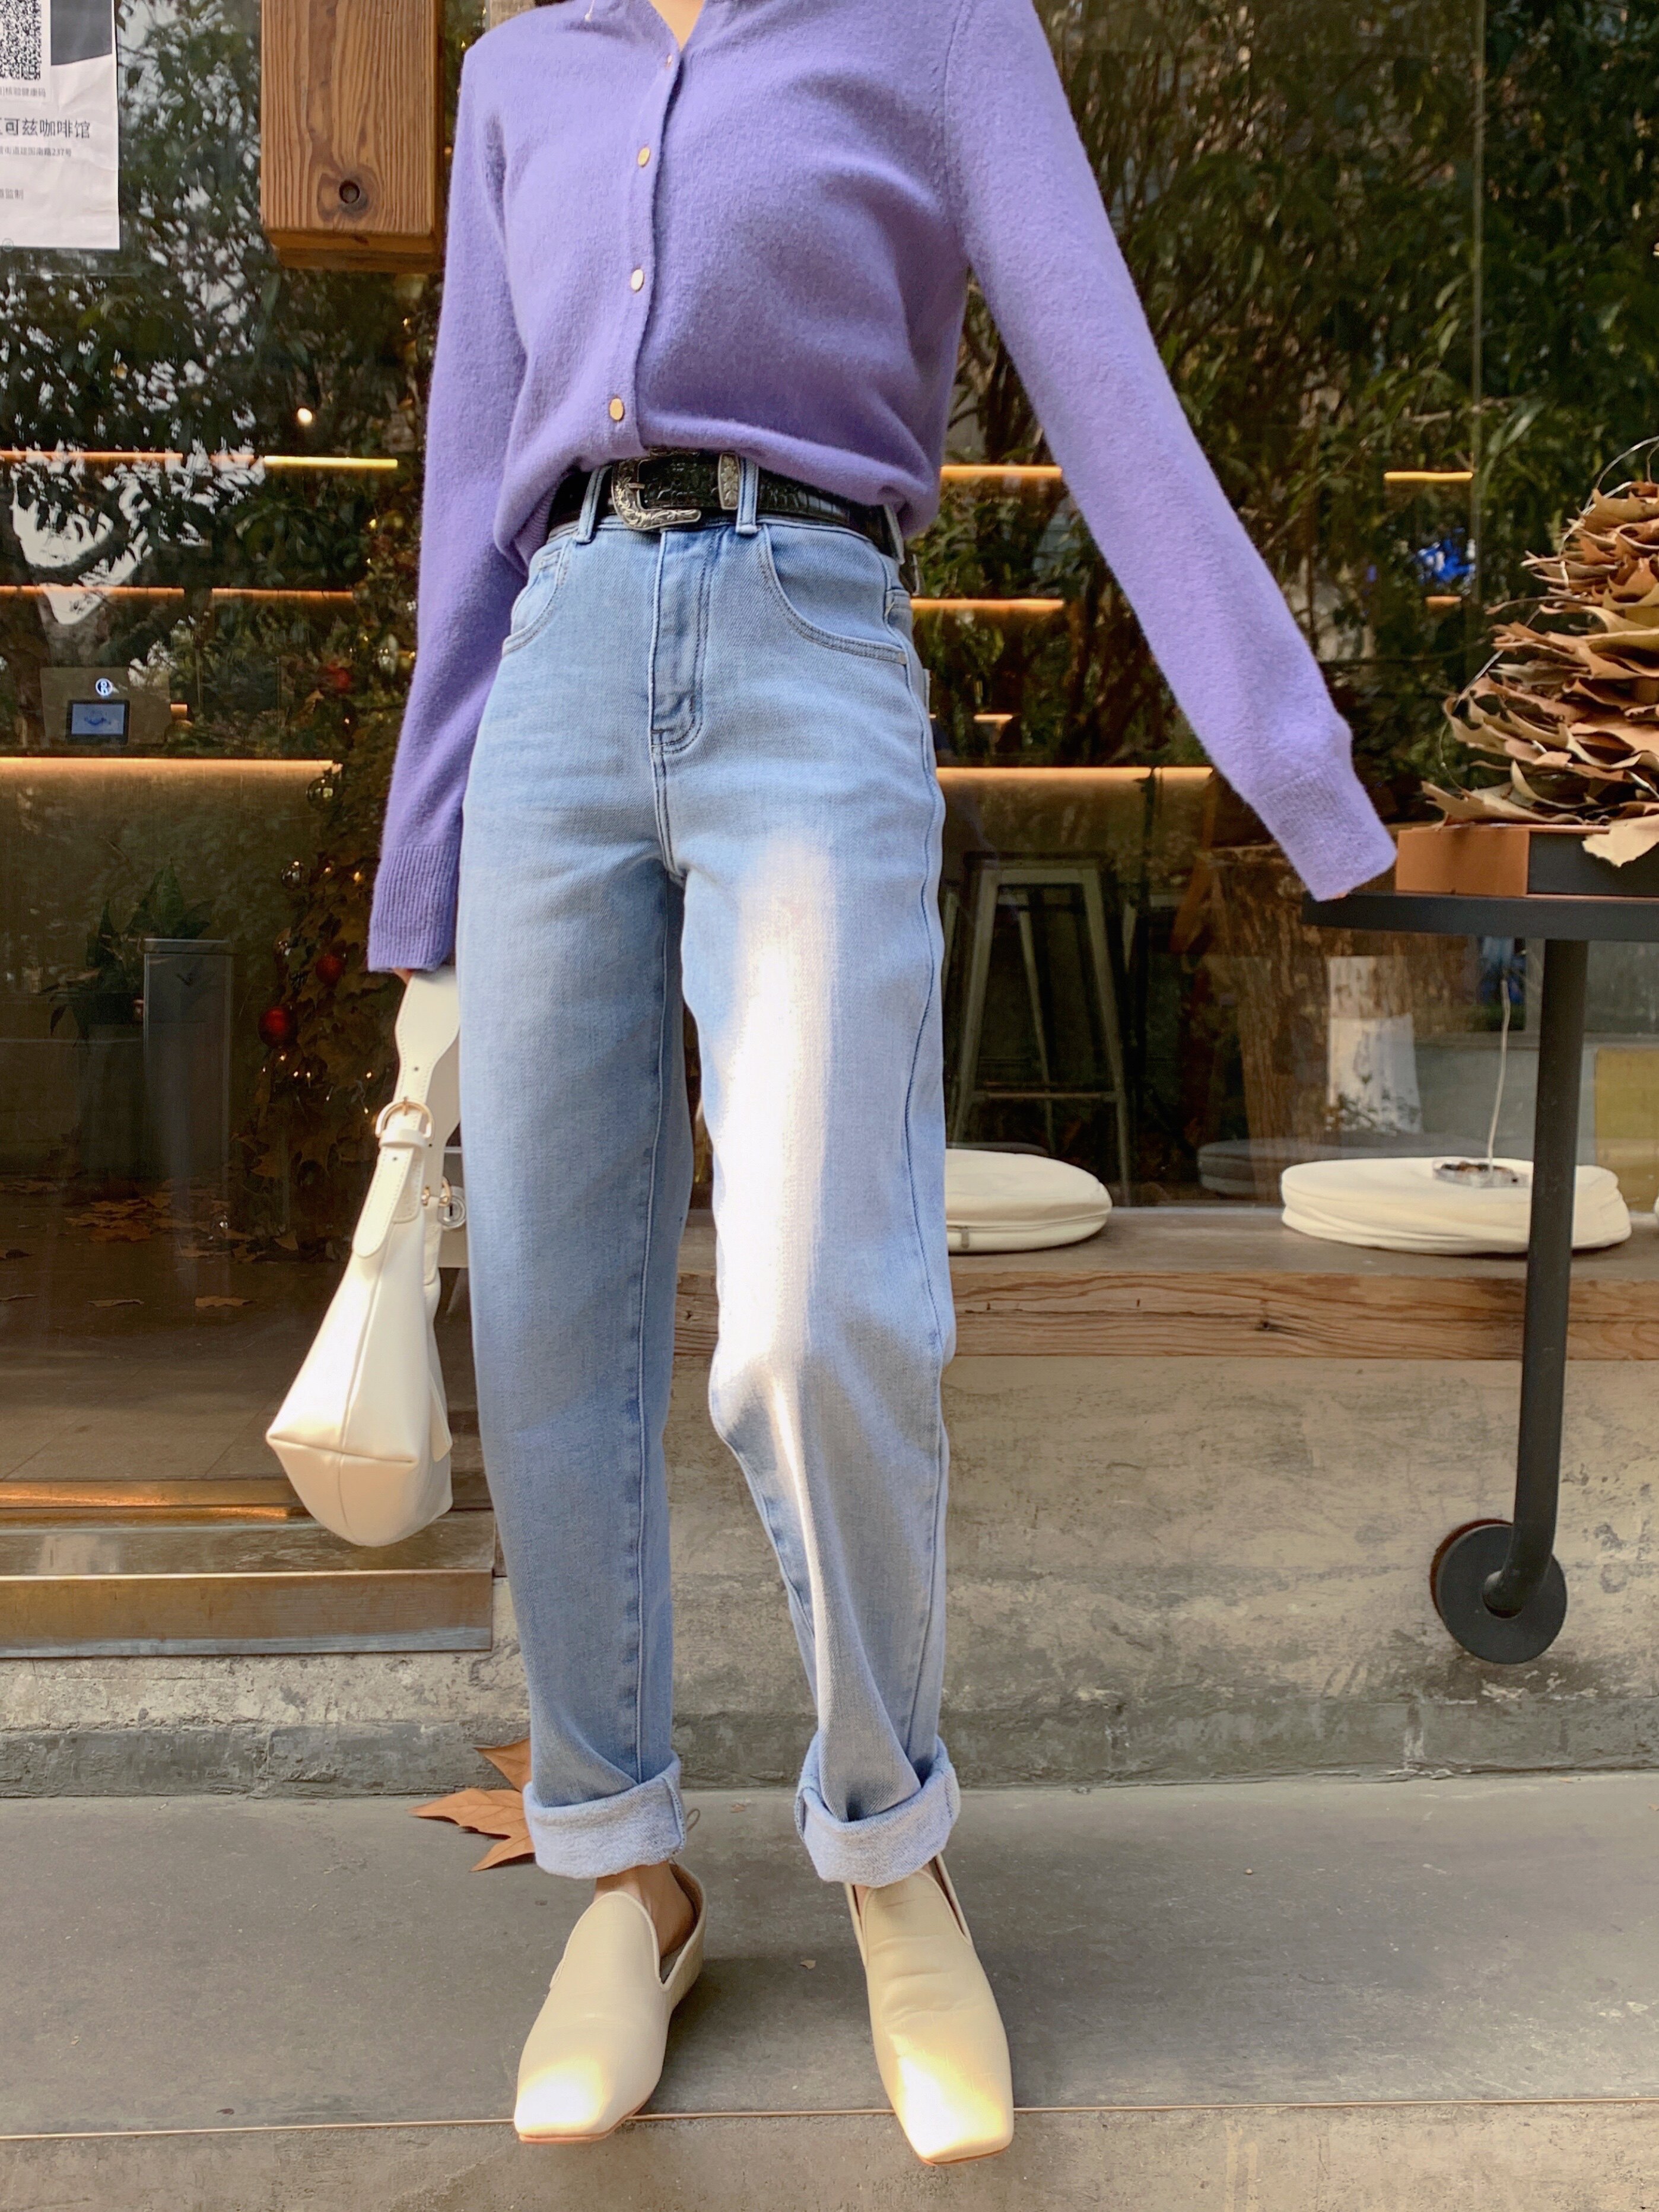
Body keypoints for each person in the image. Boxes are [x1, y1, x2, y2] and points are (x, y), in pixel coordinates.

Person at [366, 0, 1394, 2166]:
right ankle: (624, 1876)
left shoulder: (935, 30)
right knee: (544, 1323)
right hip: (555, 670)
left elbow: (1104, 384)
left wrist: (1301, 778)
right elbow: (473, 482)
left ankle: (888, 1846)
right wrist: (421, 887)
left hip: (807, 634)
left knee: (817, 1311)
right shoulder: (517, 71)